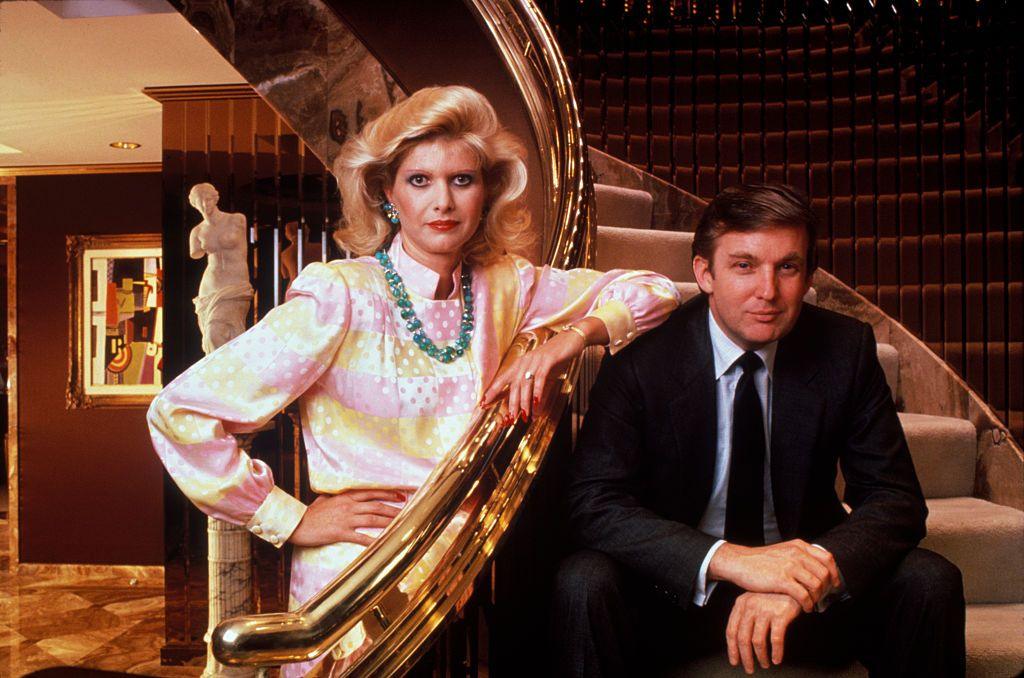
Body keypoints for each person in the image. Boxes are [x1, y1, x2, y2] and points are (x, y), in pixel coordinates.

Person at [148, 85, 681, 676]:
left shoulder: (507, 285)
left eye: (462, 180)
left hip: (468, 565)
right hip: (358, 572)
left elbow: (654, 289)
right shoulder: (340, 294)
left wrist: (569, 338)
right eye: (420, 181)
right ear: (388, 194)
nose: (442, 201)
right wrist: (290, 517)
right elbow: (179, 414)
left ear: (487, 193)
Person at [554, 184, 965, 677]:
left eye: (787, 267)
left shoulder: (844, 350)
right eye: (744, 265)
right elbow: (594, 502)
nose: (767, 291)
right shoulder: (643, 361)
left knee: (930, 579)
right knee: (583, 580)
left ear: (808, 275)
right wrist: (728, 560)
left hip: (803, 598)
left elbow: (896, 500)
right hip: (680, 595)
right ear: (704, 273)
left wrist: (806, 578)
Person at [188, 182, 254, 354]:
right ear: (195, 205)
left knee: (225, 332)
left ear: (215, 198)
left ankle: (230, 370)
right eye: (199, 202)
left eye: (208, 199)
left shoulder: (237, 219)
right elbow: (195, 253)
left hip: (236, 285)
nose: (205, 205)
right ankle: (222, 372)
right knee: (212, 333)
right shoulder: (197, 231)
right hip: (211, 287)